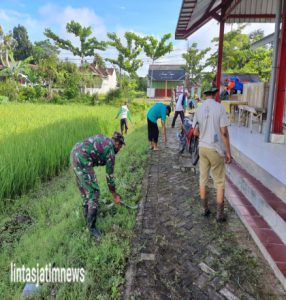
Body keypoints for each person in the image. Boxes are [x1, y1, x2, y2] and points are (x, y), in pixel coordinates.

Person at [70, 132, 125, 237]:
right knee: (94, 192)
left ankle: (87, 217)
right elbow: (109, 176)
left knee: (85, 191)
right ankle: (92, 228)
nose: (120, 148)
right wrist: (115, 195)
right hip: (83, 158)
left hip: (74, 152)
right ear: (117, 143)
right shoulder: (110, 151)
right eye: (120, 146)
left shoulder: (104, 139)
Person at [192, 87, 231, 222]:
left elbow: (195, 132)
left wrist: (204, 132)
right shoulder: (219, 108)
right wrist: (228, 153)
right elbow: (224, 133)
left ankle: (204, 209)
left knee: (203, 179)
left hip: (202, 148)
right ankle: (219, 215)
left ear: (205, 95)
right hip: (215, 149)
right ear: (215, 95)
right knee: (219, 181)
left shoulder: (198, 109)